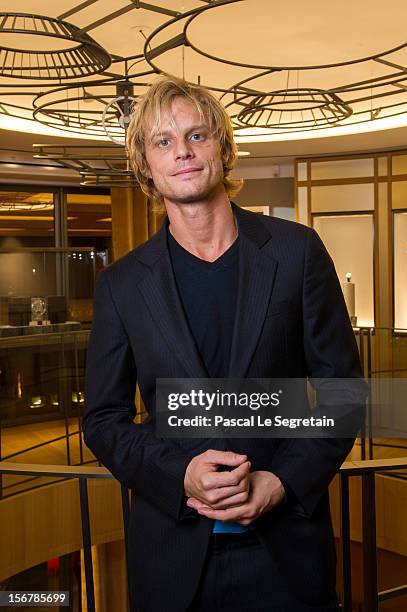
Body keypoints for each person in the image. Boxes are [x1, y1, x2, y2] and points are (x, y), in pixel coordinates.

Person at [83, 77, 366, 611]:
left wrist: (280, 482)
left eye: (197, 135)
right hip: (173, 557)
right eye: (163, 142)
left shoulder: (297, 253)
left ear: (224, 148)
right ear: (146, 165)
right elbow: (103, 419)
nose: (183, 152)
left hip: (286, 553)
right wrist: (180, 476)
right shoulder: (121, 285)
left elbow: (343, 395)